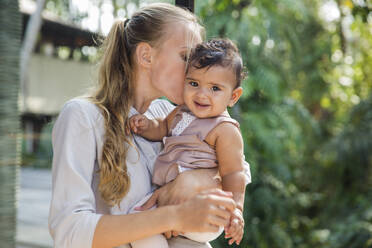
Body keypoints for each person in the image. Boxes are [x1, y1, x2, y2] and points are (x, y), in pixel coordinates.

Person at [48, 3, 251, 248]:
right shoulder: (84, 116)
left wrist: (193, 181)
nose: (195, 69)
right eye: (186, 57)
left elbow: (237, 169)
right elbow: (69, 232)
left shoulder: (171, 115)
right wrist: (173, 216)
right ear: (146, 56)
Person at [123, 39, 247, 247]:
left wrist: (236, 210)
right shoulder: (181, 111)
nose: (201, 94)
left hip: (203, 207)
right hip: (172, 203)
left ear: (233, 96)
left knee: (141, 224)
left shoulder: (224, 129)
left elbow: (233, 173)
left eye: (215, 88)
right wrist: (146, 125)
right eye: (194, 83)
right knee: (139, 228)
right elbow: (162, 128)